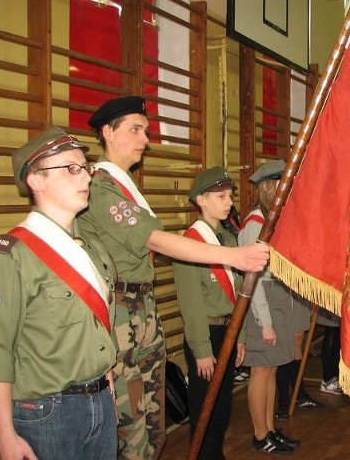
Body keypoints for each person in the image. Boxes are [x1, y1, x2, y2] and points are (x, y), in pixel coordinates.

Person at [78, 96, 269, 459]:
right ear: (107, 132)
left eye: (145, 130)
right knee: (130, 423)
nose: (144, 139)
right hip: (118, 313)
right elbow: (153, 239)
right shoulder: (101, 188)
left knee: (151, 421)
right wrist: (233, 255)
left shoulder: (124, 187)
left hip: (140, 311)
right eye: (135, 130)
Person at [0, 127, 118, 459]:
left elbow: (99, 325)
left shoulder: (92, 249)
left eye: (85, 167)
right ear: (36, 180)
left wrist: (107, 379)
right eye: (71, 168)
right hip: (48, 414)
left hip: (100, 399)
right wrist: (5, 437)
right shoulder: (11, 256)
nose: (85, 176)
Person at [172, 166, 247, 460]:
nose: (229, 202)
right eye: (221, 196)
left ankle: (215, 454)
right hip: (206, 335)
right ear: (201, 200)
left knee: (222, 407)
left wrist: (239, 336)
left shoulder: (227, 240)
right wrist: (202, 350)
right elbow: (191, 304)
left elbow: (238, 294)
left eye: (230, 196)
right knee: (205, 408)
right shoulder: (190, 242)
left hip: (228, 331)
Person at [238, 159, 301, 455]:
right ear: (270, 187)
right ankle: (259, 433)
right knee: (261, 371)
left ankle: (270, 429)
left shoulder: (271, 220)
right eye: (282, 185)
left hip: (277, 304)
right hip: (261, 307)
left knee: (272, 370)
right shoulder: (254, 225)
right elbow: (253, 280)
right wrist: (264, 322)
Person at [317, 309, 344, 396]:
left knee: (336, 336)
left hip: (338, 304)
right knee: (332, 333)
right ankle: (328, 379)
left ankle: (333, 378)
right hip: (331, 304)